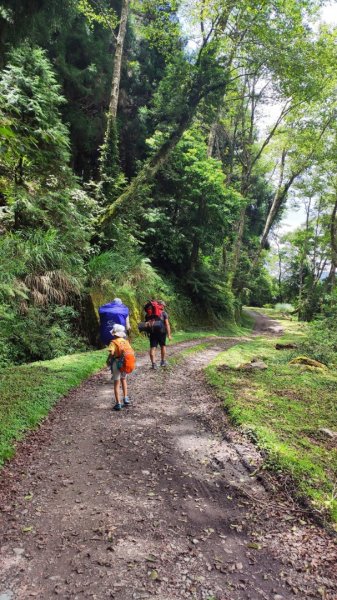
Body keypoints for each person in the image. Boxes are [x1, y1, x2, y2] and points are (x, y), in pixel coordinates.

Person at [107, 324, 131, 411]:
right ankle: (125, 398)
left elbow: (112, 353)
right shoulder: (126, 341)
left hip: (116, 363)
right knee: (124, 380)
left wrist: (108, 360)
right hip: (125, 363)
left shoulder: (113, 342)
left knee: (116, 383)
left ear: (115, 333)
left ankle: (118, 404)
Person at [148, 301, 172, 369]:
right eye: (164, 306)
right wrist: (169, 334)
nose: (164, 307)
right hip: (162, 332)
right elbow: (167, 324)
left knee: (153, 348)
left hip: (152, 333)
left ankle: (153, 364)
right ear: (162, 305)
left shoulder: (150, 314)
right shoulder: (164, 313)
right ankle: (163, 362)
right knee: (163, 346)